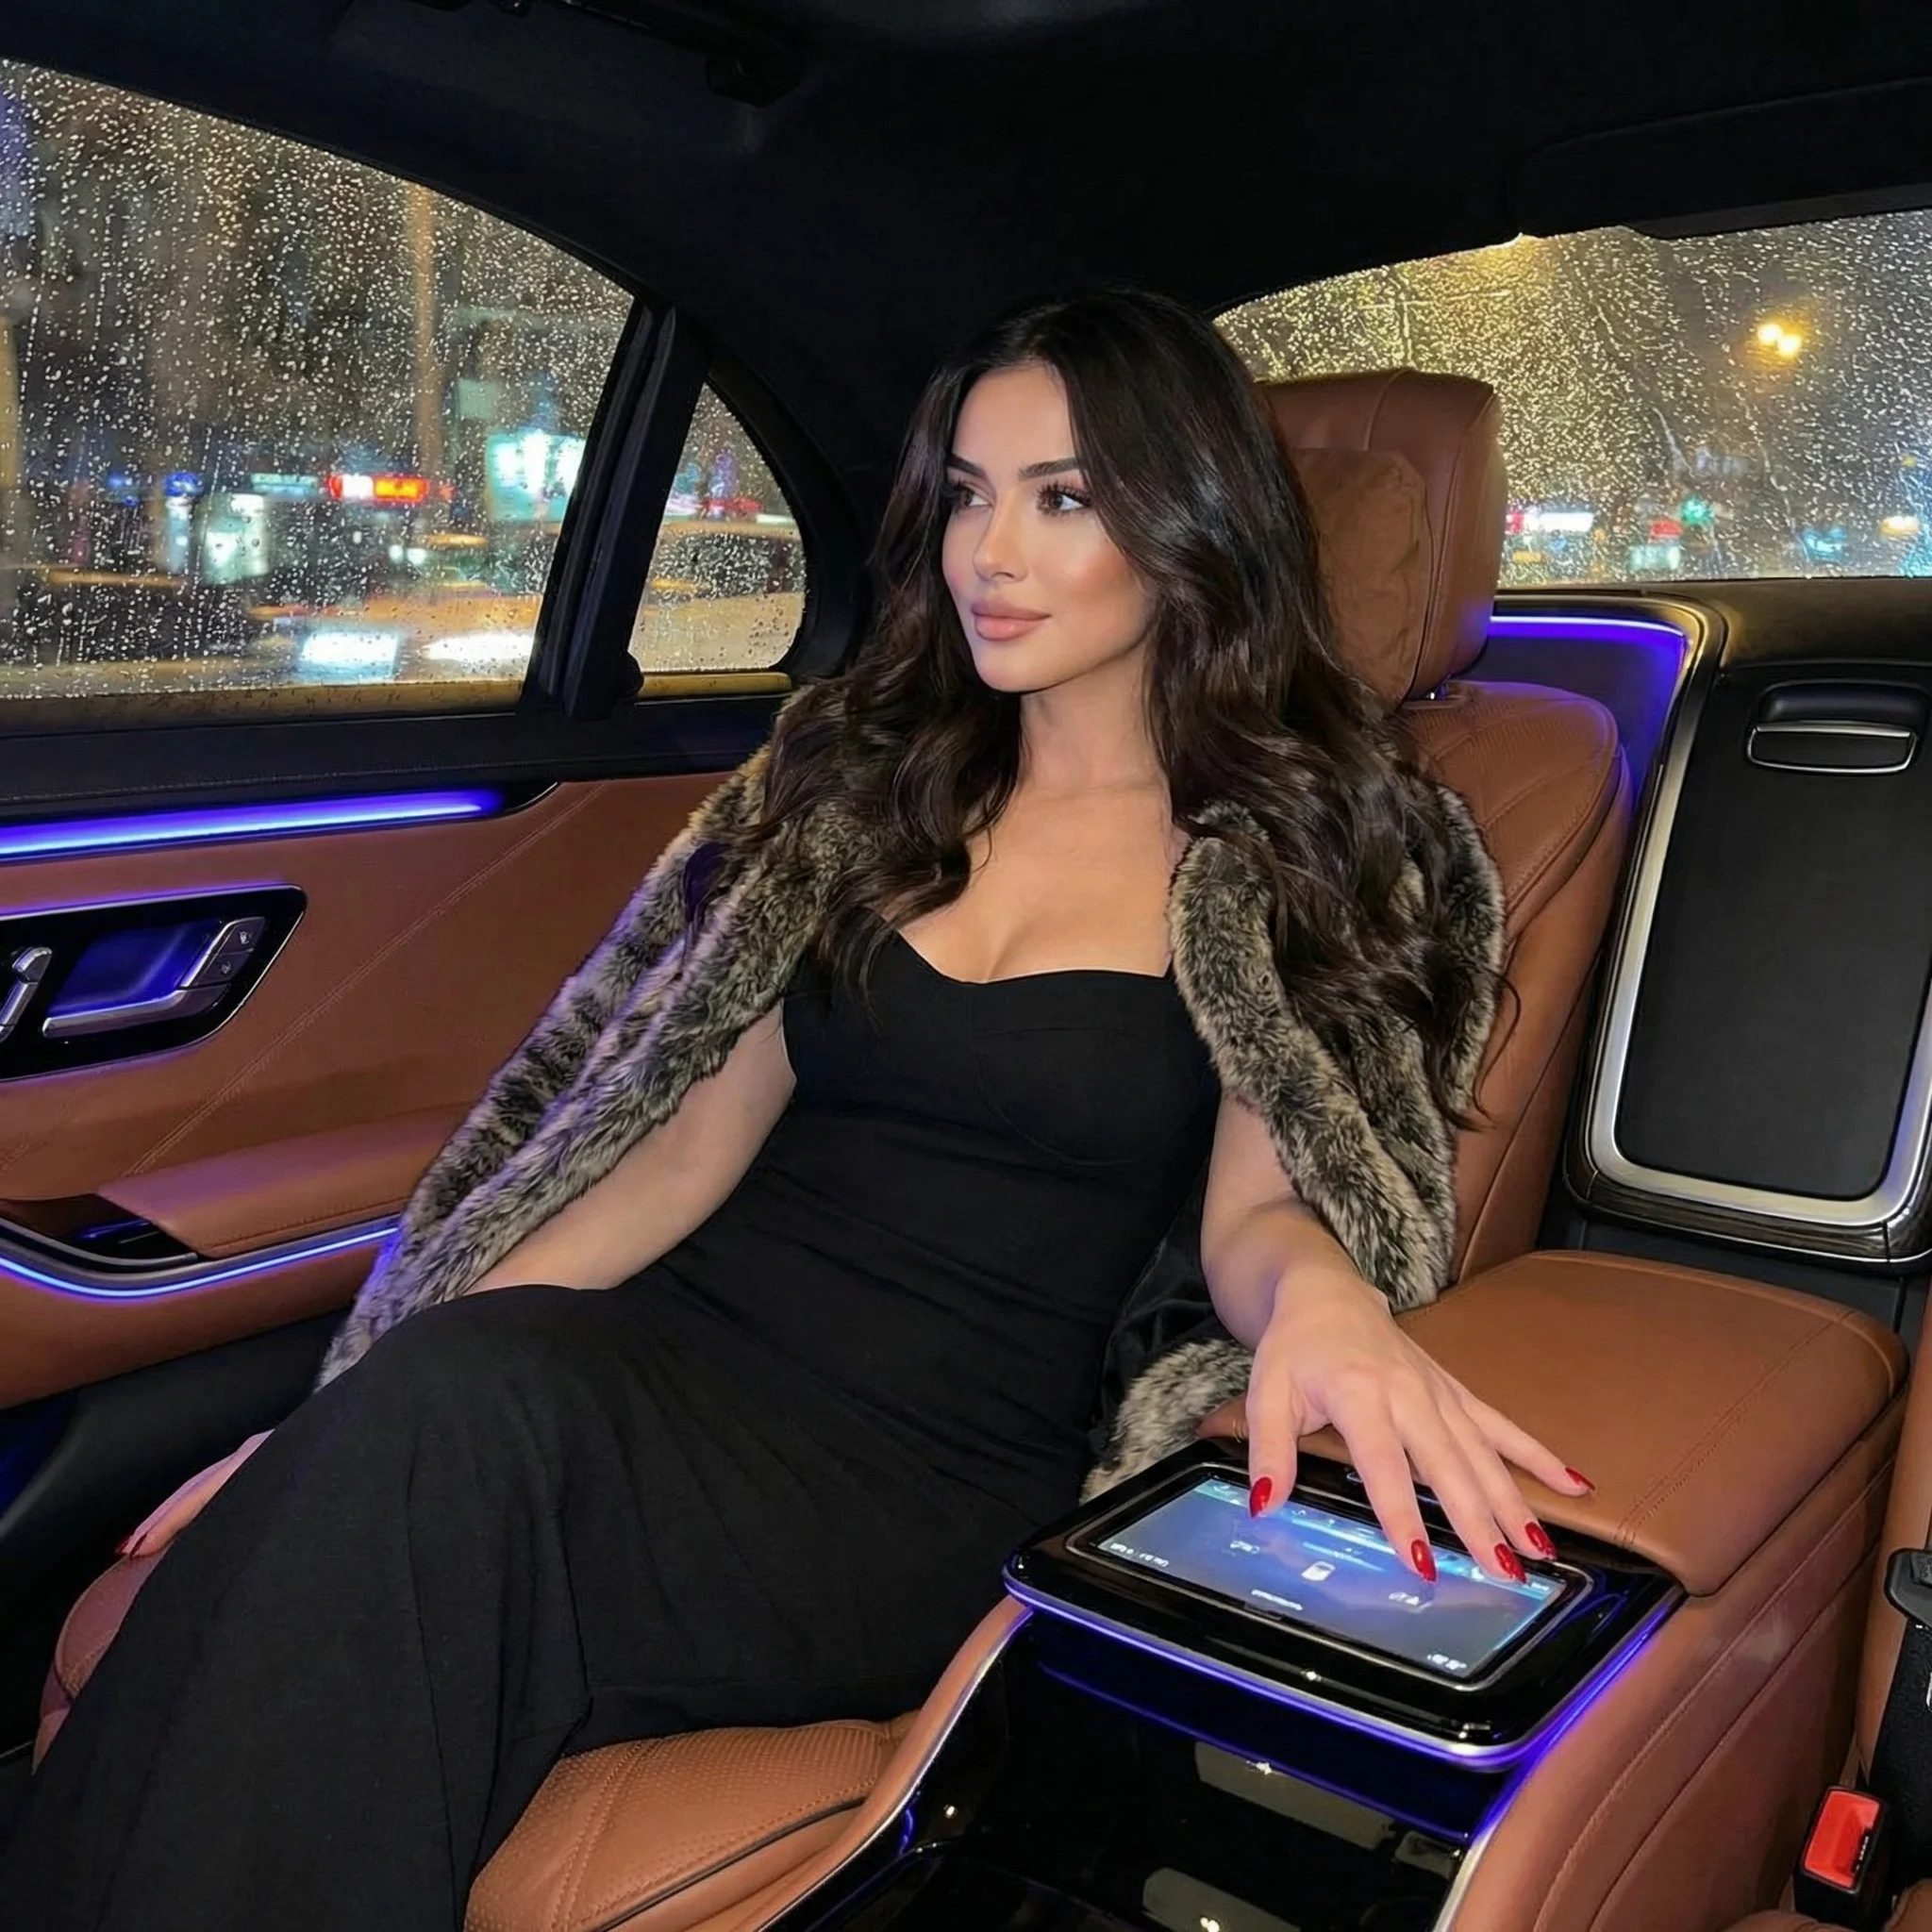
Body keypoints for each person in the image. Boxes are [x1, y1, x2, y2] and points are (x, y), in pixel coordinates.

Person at [0, 289, 1584, 1928]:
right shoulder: (864, 779)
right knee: (430, 1426)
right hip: (655, 1371)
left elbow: (1271, 1200)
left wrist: (1326, 1307)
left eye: (1063, 499)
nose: (992, 553)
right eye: (967, 494)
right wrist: (340, 1419)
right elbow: (675, 1152)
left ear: (1191, 526)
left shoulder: (1298, 848)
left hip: (918, 1466)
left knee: (454, 1437)